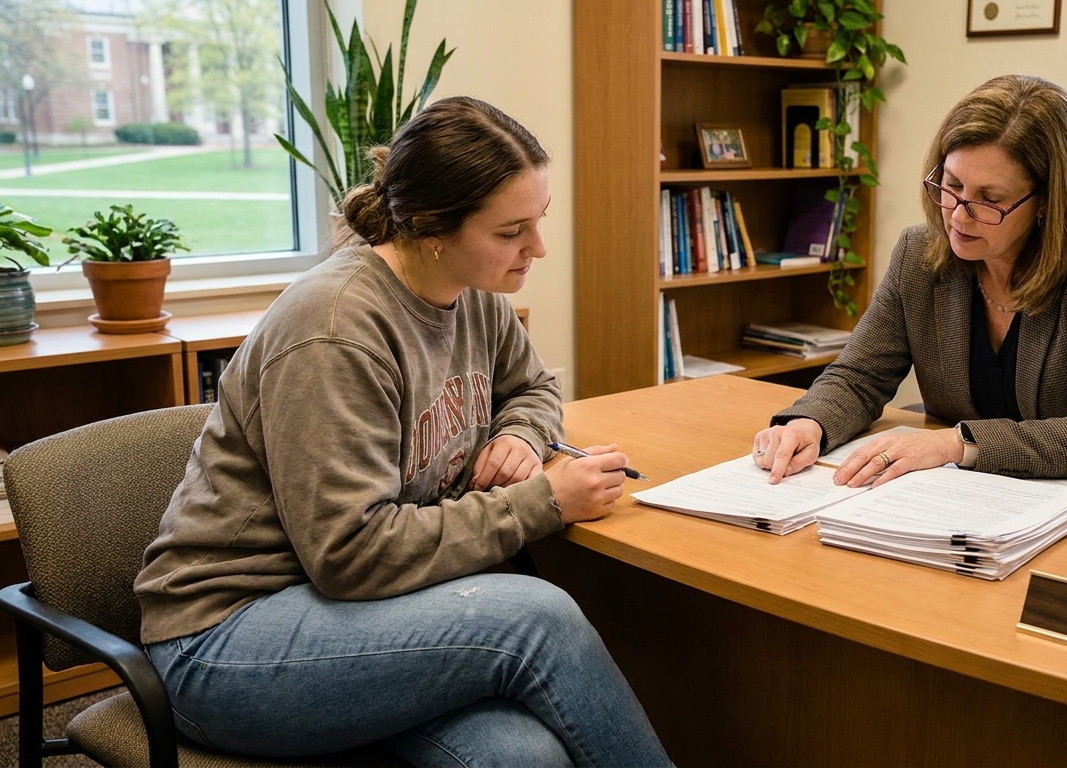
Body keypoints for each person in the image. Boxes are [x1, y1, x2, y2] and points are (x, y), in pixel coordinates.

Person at [134, 97, 671, 767]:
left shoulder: (470, 289)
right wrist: (542, 502)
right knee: (539, 617)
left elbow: (534, 388)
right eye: (510, 232)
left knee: (524, 758)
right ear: (429, 228)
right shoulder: (334, 331)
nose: (536, 248)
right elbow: (350, 554)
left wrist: (525, 437)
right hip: (228, 639)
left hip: (379, 613)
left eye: (539, 221)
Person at [753, 74, 1067, 486]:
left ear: (1047, 202)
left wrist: (953, 443)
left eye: (990, 199)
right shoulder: (919, 254)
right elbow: (860, 375)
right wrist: (810, 422)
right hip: (977, 497)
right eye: (952, 184)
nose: (959, 215)